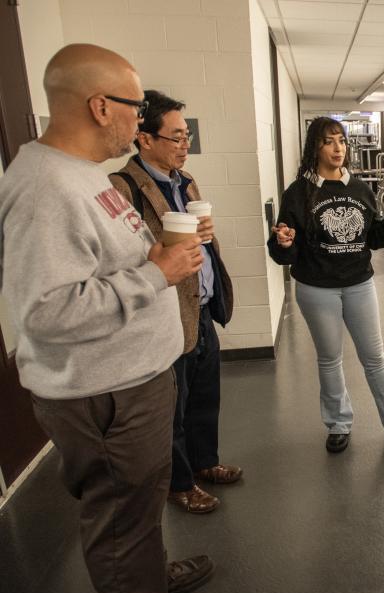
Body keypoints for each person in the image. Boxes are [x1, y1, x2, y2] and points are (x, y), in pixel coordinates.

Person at [0, 44, 213, 593]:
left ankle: (148, 573)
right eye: (135, 107)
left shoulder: (79, 175)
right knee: (120, 518)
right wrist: (157, 275)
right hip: (107, 396)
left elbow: (108, 263)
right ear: (100, 106)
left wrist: (164, 253)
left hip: (132, 380)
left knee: (136, 510)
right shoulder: (46, 188)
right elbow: (45, 311)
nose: (140, 120)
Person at [110, 90, 240, 516]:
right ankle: (179, 483)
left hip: (199, 307)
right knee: (173, 406)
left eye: (187, 136)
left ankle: (205, 462)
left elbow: (200, 241)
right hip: (165, 315)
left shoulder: (186, 181)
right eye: (177, 137)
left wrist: (208, 232)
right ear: (144, 139)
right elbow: (123, 258)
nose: (185, 146)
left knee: (205, 396)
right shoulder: (123, 187)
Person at [267, 117, 384, 454]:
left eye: (341, 140)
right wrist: (283, 243)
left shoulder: (359, 189)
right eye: (329, 141)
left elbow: (374, 240)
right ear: (315, 147)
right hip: (316, 288)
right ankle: (338, 424)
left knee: (375, 359)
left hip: (359, 284)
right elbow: (286, 254)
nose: (338, 147)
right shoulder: (298, 193)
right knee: (329, 359)